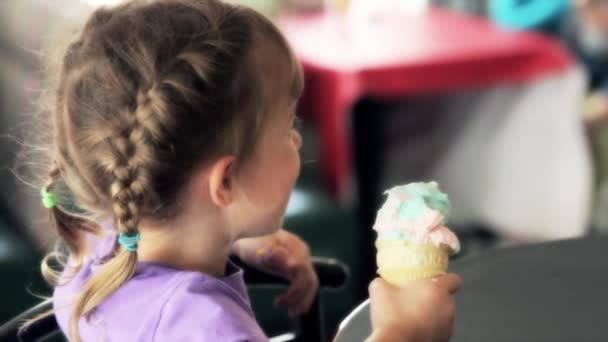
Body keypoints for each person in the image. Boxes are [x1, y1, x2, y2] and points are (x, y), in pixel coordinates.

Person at [27, 0, 459, 340]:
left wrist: (233, 239)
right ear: (226, 182)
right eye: (288, 125)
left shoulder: (107, 239)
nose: (297, 140)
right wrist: (406, 333)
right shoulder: (210, 329)